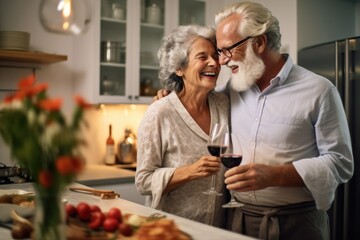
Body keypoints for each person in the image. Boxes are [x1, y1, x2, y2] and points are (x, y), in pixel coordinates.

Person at [156, 2, 354, 239]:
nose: (222, 61)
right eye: (219, 52)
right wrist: (170, 97)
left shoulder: (319, 90)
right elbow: (194, 95)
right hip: (238, 218)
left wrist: (274, 175)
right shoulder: (232, 89)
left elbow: (341, 163)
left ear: (258, 43)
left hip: (298, 223)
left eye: (227, 50)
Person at [135, 25, 229, 227]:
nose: (214, 63)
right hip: (171, 229)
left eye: (215, 55)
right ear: (179, 68)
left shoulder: (224, 104)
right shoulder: (160, 112)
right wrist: (190, 171)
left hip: (218, 229)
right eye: (202, 57)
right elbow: (143, 181)